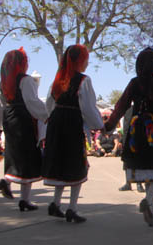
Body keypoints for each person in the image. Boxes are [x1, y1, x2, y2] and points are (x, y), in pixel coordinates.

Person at [105, 47, 153, 227]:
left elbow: (121, 105)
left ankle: (152, 212)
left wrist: (109, 125)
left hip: (139, 132)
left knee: (147, 172)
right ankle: (148, 201)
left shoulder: (134, 83)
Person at [42, 44, 103, 223]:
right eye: (86, 59)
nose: (87, 63)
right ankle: (72, 208)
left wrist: (49, 121)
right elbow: (89, 108)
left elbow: (48, 104)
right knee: (77, 164)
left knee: (60, 163)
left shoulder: (58, 80)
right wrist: (100, 125)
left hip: (56, 123)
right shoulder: (84, 80)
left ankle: (55, 203)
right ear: (80, 60)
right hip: (72, 123)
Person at [0, 48, 49, 210]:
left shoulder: (2, 84)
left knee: (15, 154)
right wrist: (46, 114)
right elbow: (32, 102)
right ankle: (20, 195)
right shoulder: (26, 80)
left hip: (9, 119)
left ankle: (19, 194)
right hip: (24, 119)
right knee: (28, 157)